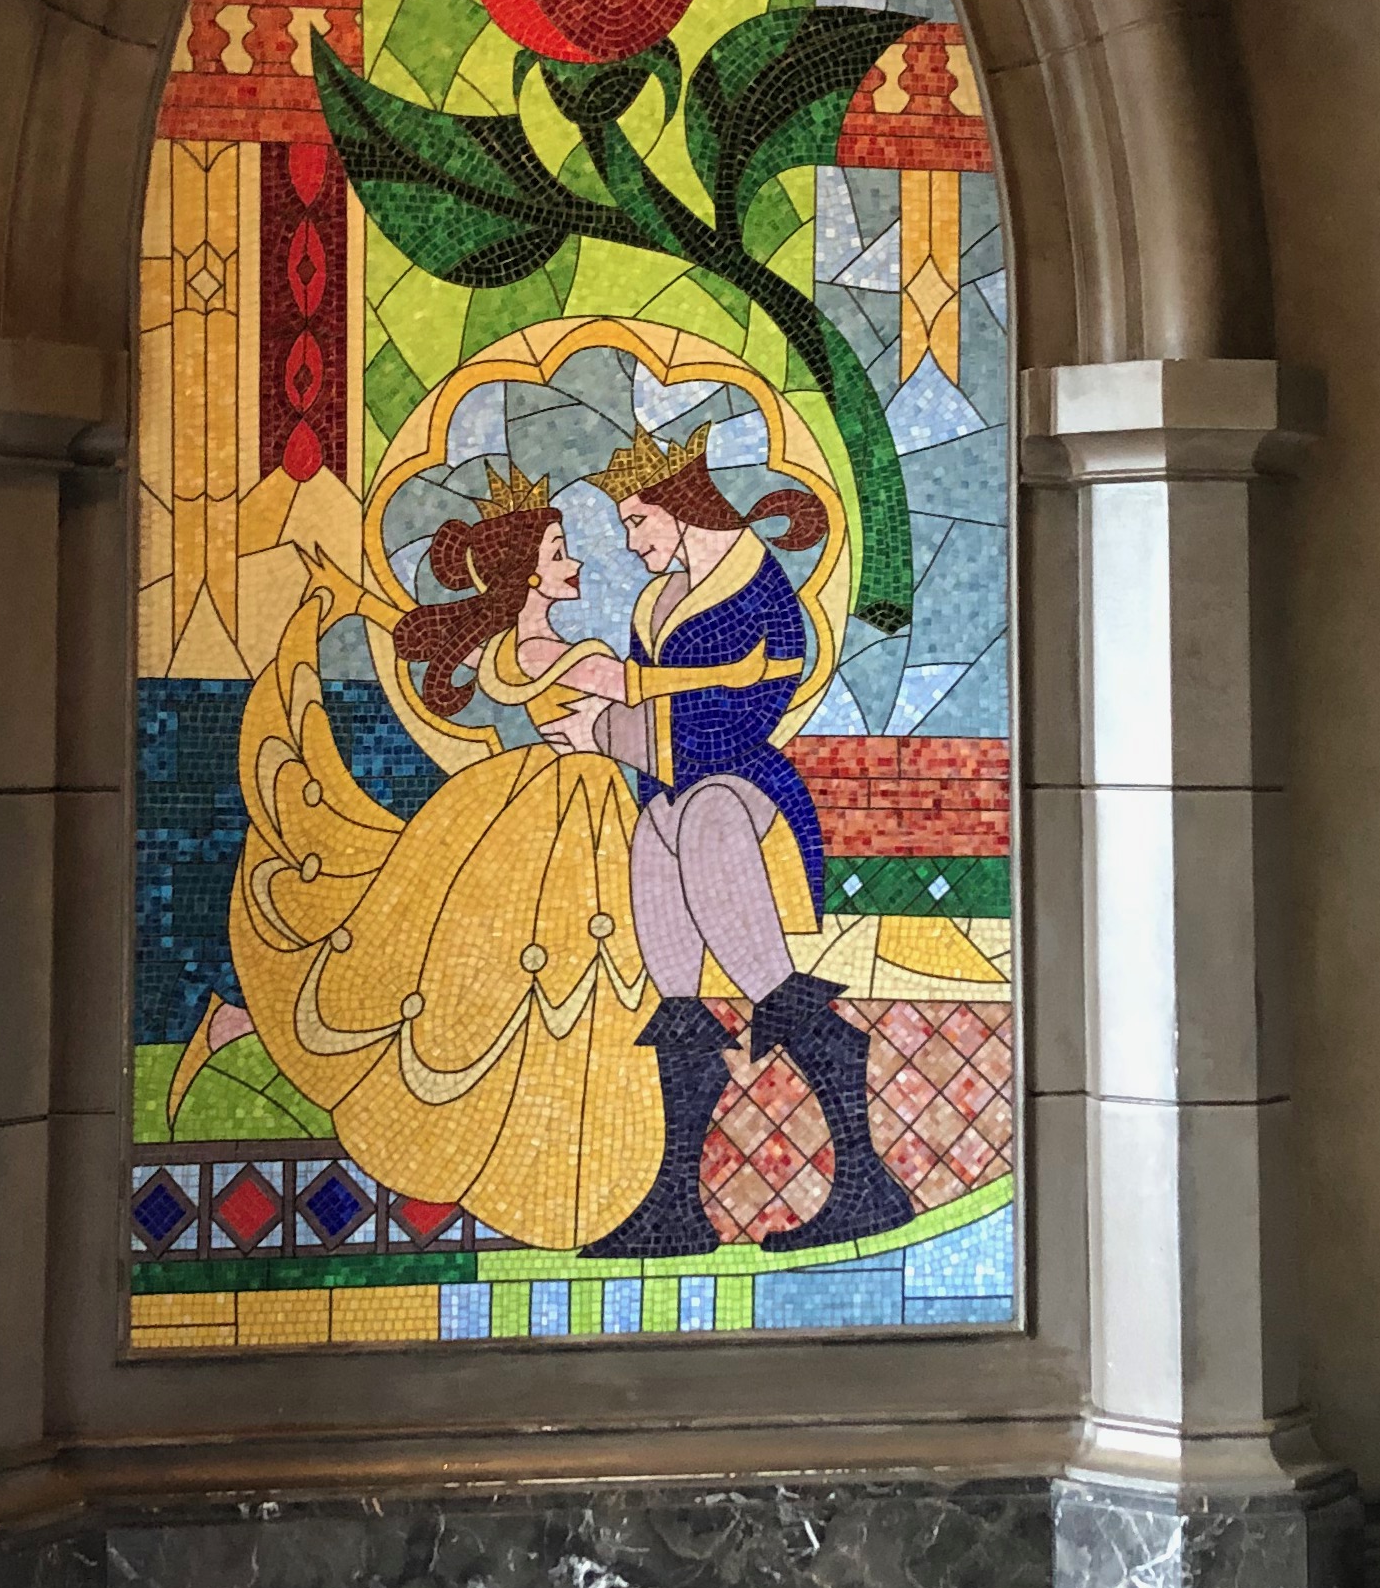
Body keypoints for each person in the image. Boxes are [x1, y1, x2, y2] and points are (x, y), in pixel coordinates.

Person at [216, 472, 666, 1252]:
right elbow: (656, 692)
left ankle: (242, 1023)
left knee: (468, 962)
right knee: (556, 972)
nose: (576, 564)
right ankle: (548, 1147)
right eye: (560, 552)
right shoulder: (575, 656)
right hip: (570, 808)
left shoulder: (504, 650)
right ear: (528, 571)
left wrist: (355, 600)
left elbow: (418, 628)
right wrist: (747, 673)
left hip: (525, 799)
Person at [550, 417, 915, 1263]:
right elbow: (656, 707)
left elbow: (741, 719)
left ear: (680, 507)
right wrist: (613, 720)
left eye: (638, 522)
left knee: (711, 823)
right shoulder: (656, 602)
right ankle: (676, 1206)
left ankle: (864, 1181)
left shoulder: (761, 593)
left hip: (748, 795)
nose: (632, 543)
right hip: (666, 794)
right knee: (664, 887)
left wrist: (611, 730)